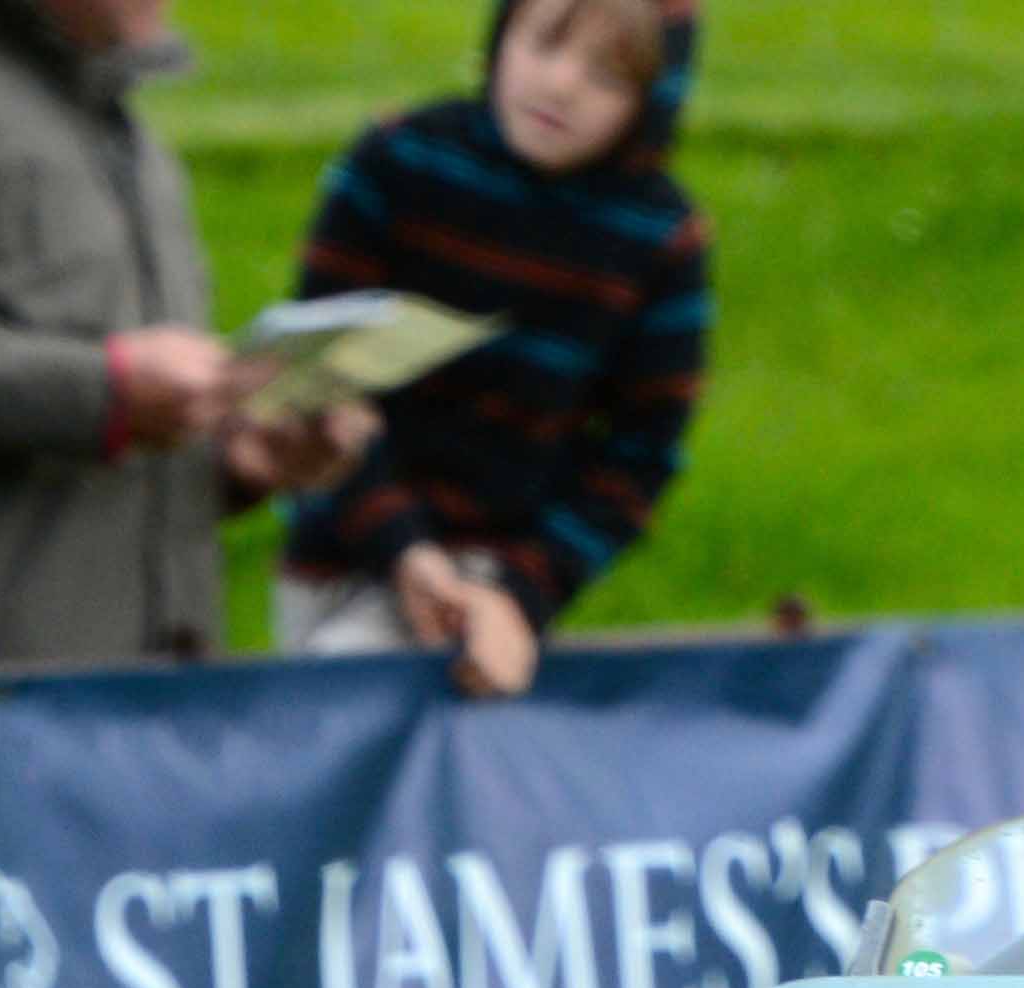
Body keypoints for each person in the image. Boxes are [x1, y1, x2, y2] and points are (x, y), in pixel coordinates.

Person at [0, 0, 360, 671]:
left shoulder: (108, 93)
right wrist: (101, 392)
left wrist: (233, 460)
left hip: (130, 695)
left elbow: (101, 395)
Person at [278, 0, 709, 699]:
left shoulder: (659, 239)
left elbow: (641, 453)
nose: (561, 84)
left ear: (652, 102)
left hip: (503, 585)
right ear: (501, 32)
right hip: (348, 551)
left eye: (606, 76)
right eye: (542, 45)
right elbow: (314, 375)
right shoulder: (399, 160)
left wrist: (520, 593)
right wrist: (403, 549)